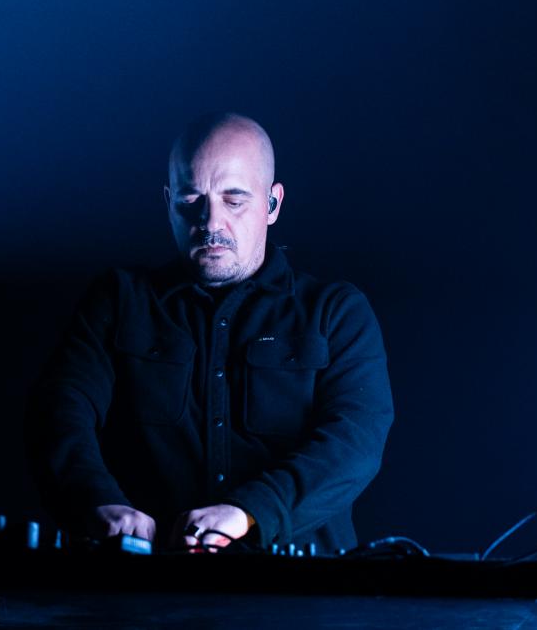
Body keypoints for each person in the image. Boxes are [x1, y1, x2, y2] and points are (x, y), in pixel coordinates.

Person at [26, 112, 394, 553]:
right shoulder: (118, 302)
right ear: (168, 202)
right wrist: (98, 501)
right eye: (190, 200)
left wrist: (249, 511)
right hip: (148, 589)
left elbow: (355, 440)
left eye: (234, 200)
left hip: (301, 591)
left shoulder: (337, 312)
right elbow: (59, 412)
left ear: (272, 204)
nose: (211, 222)